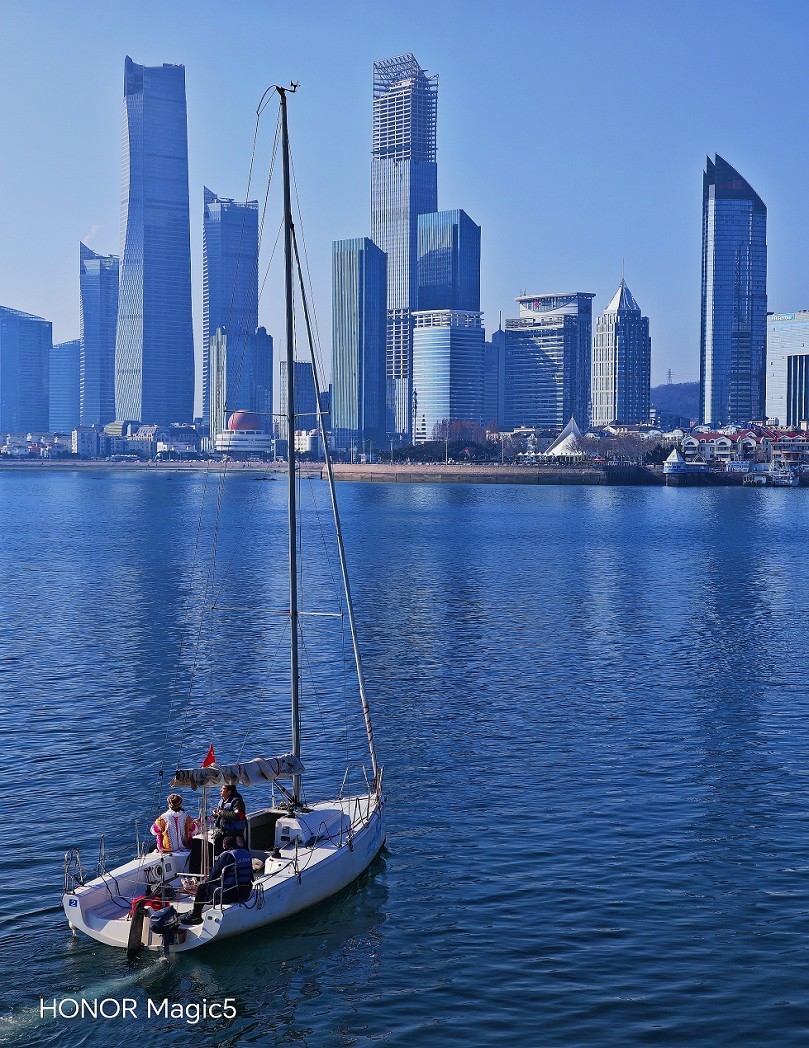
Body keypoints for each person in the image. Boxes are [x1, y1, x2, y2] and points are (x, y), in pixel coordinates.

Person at [180, 836, 253, 925]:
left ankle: (196, 916)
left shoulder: (227, 855)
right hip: (246, 891)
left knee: (202, 888)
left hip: (231, 893)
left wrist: (201, 882)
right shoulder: (246, 853)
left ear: (225, 846)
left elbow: (212, 877)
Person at [212, 783, 247, 854]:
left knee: (234, 852)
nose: (220, 790)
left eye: (223, 789)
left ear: (229, 792)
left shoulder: (237, 802)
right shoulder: (223, 801)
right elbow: (220, 815)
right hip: (222, 831)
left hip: (233, 833)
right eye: (221, 789)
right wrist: (215, 813)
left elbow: (239, 815)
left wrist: (222, 813)